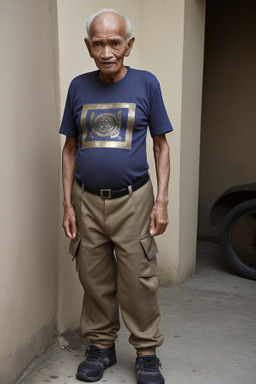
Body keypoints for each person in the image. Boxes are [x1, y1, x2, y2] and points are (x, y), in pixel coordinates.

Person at [59, 8, 173, 384]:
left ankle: (146, 352)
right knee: (93, 277)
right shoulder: (78, 86)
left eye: (114, 42)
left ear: (128, 45)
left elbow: (160, 145)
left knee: (139, 278)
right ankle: (100, 347)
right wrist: (67, 205)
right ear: (88, 47)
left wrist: (162, 202)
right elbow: (70, 149)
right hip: (86, 200)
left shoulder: (146, 84)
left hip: (134, 199)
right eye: (98, 43)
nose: (106, 51)